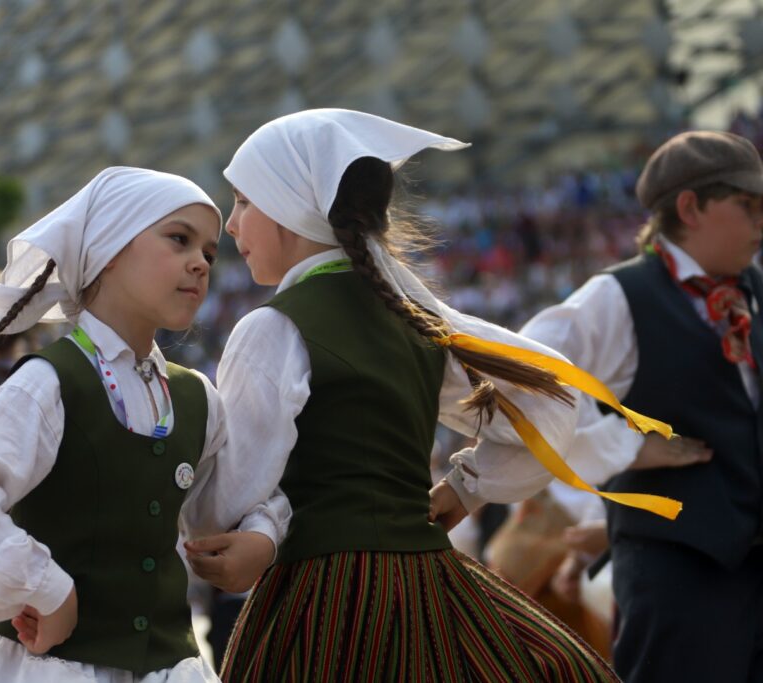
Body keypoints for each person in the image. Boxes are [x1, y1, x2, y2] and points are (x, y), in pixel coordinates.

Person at [182, 109, 660, 681]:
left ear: (292, 203)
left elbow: (221, 507)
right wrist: (466, 488)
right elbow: (554, 397)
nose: (232, 226)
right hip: (430, 584)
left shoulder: (272, 328)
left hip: (326, 602)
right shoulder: (414, 318)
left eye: (243, 201)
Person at [0, 167, 289, 682]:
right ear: (108, 249)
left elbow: (226, 505)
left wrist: (261, 535)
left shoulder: (197, 397)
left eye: (210, 253)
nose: (200, 262)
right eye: (179, 239)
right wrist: (45, 588)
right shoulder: (49, 383)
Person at [519, 130, 763, 682]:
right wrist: (622, 446)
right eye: (747, 206)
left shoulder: (752, 287)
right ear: (691, 208)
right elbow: (523, 378)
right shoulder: (618, 296)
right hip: (680, 578)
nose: (760, 223)